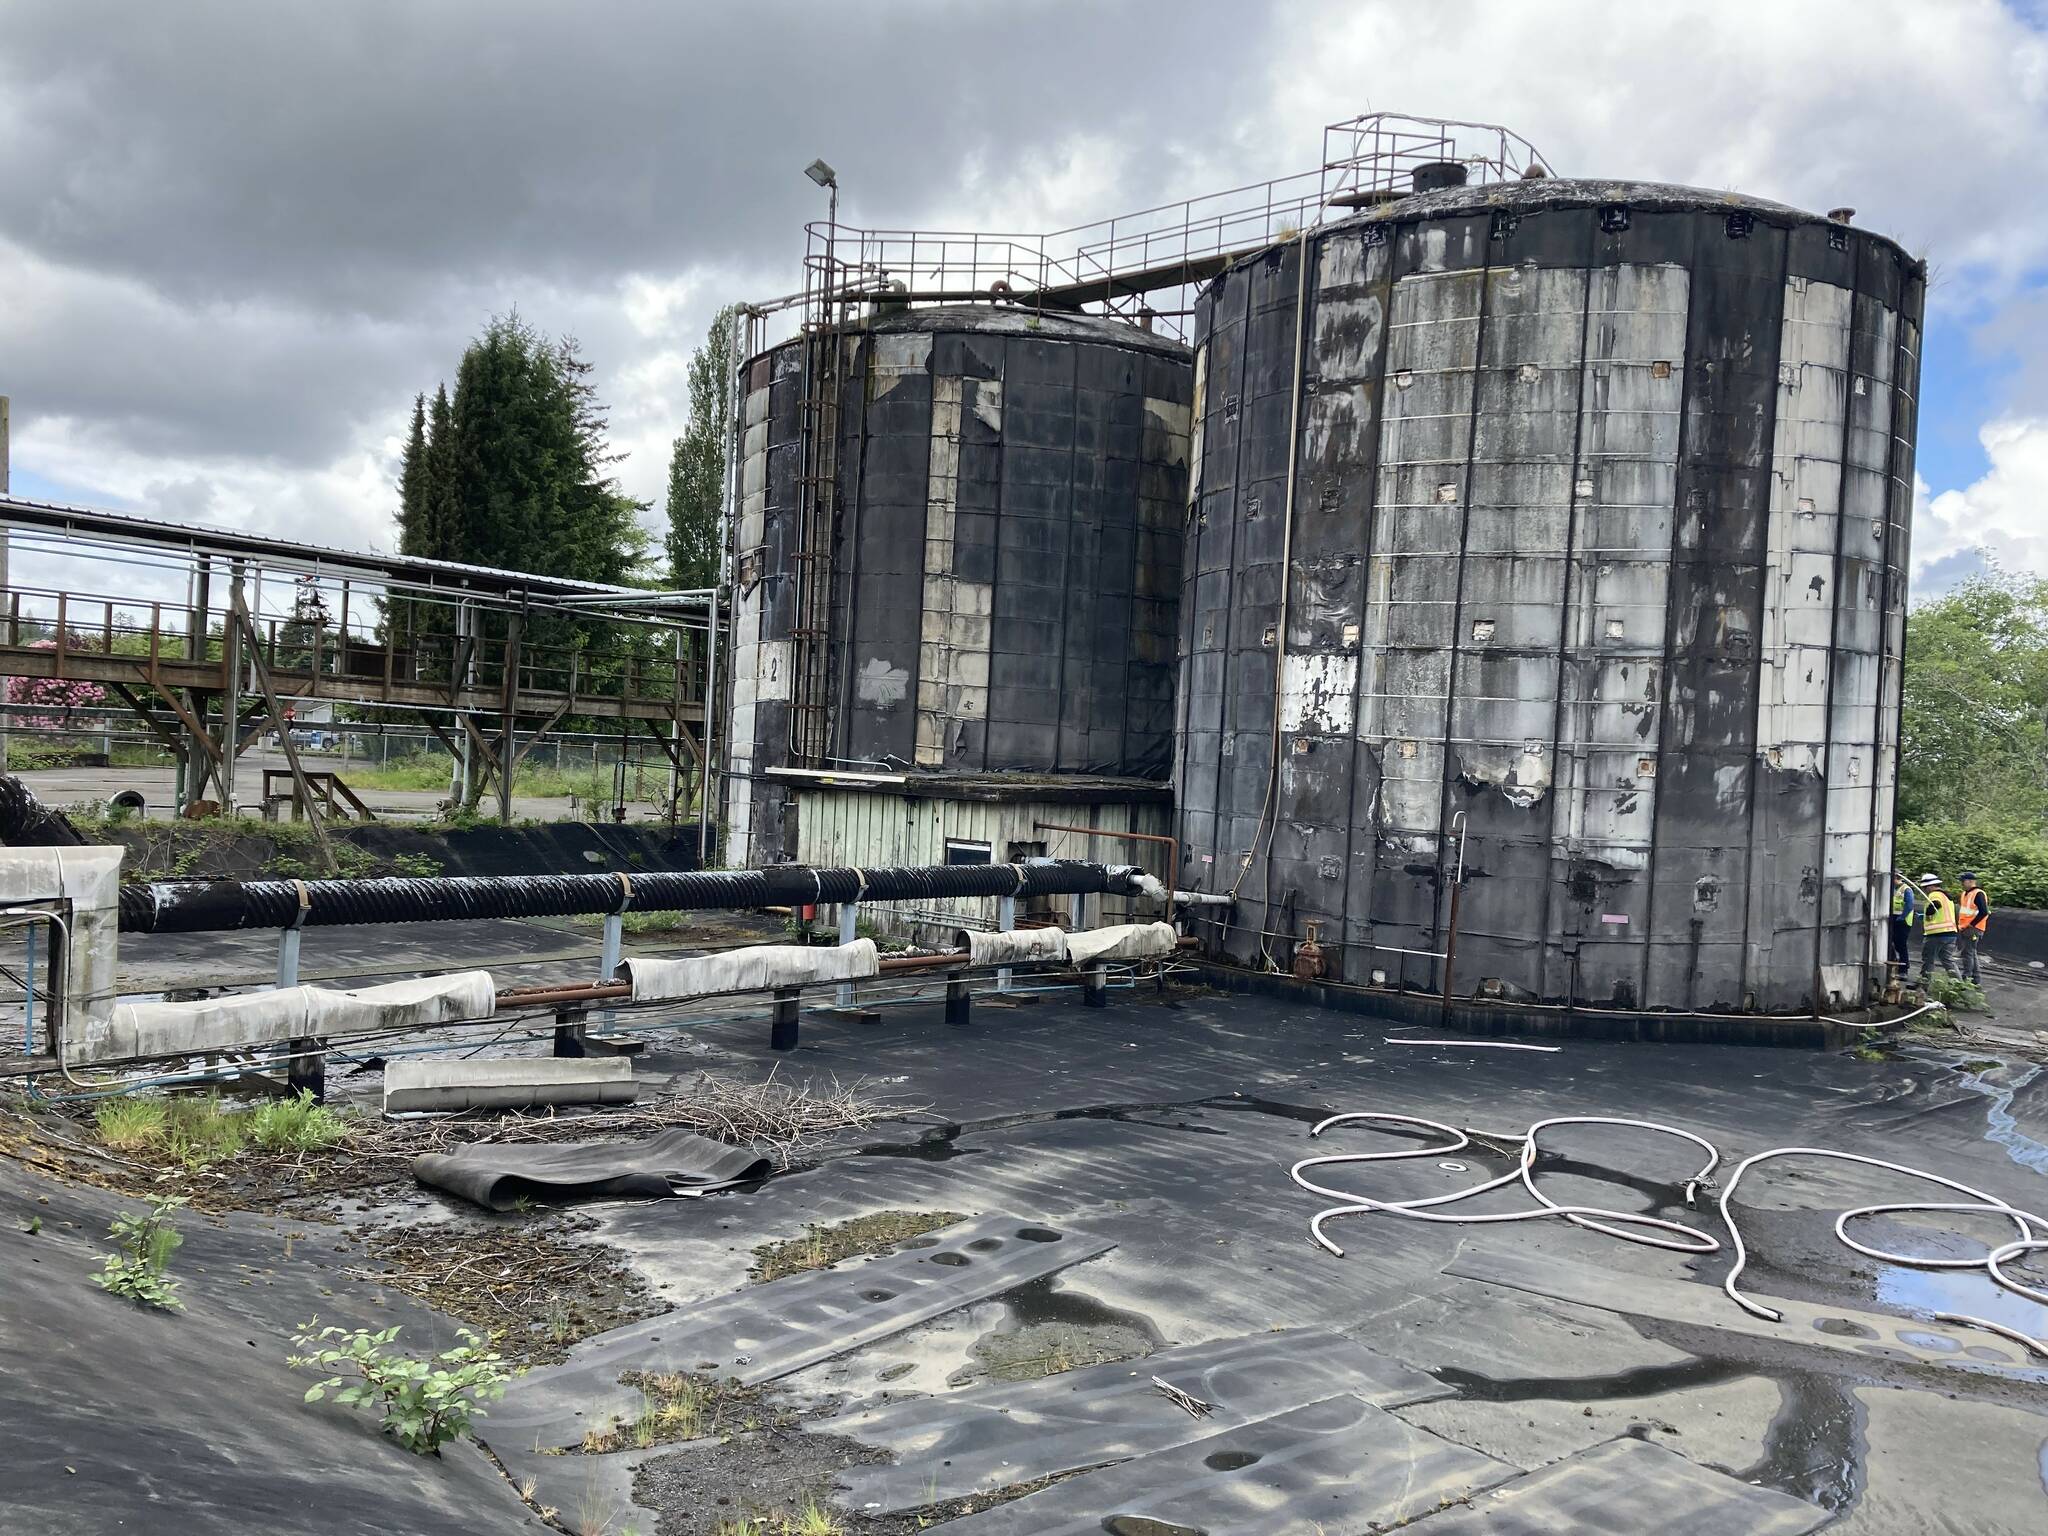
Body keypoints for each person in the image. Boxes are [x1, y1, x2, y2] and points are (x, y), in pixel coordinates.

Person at [1918, 873, 1960, 984]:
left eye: (1925, 887)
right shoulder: (1947, 896)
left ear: (1930, 886)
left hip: (1936, 934)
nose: (1924, 890)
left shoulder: (1934, 895)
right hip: (1950, 933)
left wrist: (1928, 913)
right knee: (1947, 960)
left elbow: (1935, 906)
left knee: (1928, 959)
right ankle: (1958, 984)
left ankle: (1923, 984)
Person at [1956, 870, 1990, 985]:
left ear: (1971, 881)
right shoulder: (1965, 894)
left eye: (1963, 881)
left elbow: (1984, 912)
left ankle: (1967, 978)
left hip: (1973, 929)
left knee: (1967, 953)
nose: (1962, 883)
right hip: (1966, 928)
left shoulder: (1978, 893)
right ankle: (1975, 979)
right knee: (1971, 953)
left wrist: (1972, 924)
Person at [1889, 872, 1920, 975]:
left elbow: (1909, 905)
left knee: (1901, 945)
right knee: (1891, 943)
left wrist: (1902, 917)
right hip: (1894, 919)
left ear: (1896, 878)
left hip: (1903, 921)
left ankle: (1904, 969)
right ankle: (1895, 965)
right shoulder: (1893, 889)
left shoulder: (1906, 889)